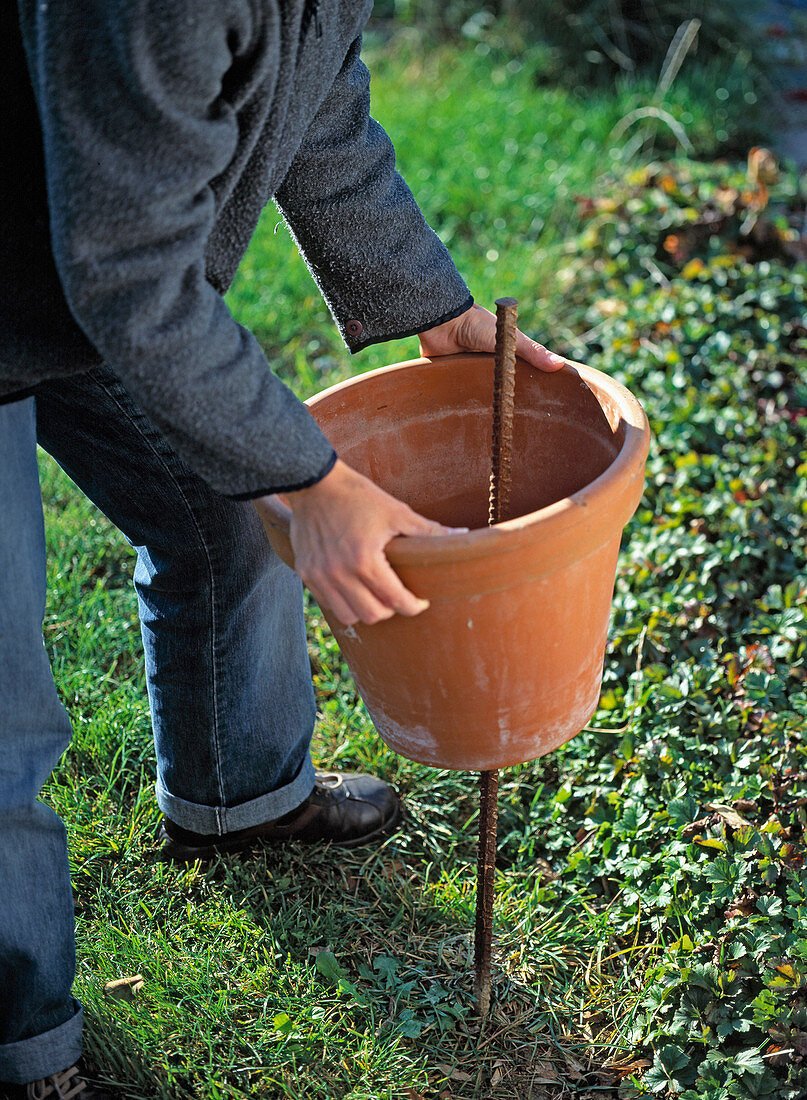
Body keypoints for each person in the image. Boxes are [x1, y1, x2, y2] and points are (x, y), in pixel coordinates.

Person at [0, 2, 566, 1096]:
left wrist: (431, 306)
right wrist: (312, 483)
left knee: (226, 502)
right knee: (3, 716)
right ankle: (22, 1040)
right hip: (91, 268)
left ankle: (241, 795)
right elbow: (128, 276)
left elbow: (318, 107)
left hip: (76, 266)